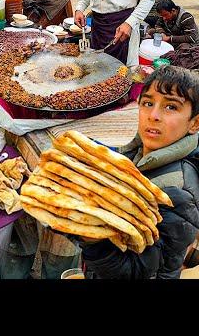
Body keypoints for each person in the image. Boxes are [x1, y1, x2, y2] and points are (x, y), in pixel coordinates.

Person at [79, 66, 199, 279]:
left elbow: (139, 271)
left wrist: (93, 239)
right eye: (148, 103)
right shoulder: (134, 155)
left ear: (194, 123)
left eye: (171, 107)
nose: (153, 115)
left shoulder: (178, 193)